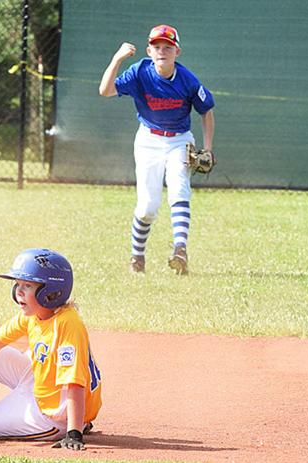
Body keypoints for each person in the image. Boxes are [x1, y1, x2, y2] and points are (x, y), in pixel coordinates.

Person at [0, 249, 102, 450]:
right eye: (18, 285)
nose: (18, 291)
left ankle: (74, 425)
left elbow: (75, 384)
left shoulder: (67, 324)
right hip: (42, 385)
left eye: (28, 285)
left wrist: (73, 432)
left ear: (51, 291)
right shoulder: (33, 315)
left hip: (55, 413)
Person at [99, 24, 215, 275]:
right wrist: (117, 58)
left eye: (168, 47)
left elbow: (206, 111)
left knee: (179, 190)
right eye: (157, 46)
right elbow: (105, 91)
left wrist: (207, 148)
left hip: (179, 140)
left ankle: (180, 249)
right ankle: (137, 256)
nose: (162, 51)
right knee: (147, 207)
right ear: (149, 51)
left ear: (177, 52)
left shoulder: (188, 80)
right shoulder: (139, 72)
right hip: (148, 140)